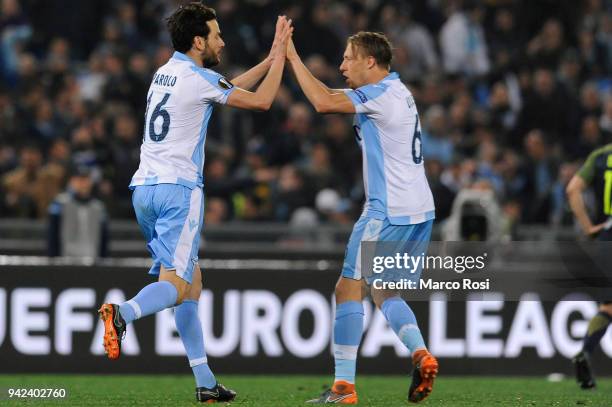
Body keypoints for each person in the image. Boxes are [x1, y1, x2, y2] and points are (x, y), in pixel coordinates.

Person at [97, 3, 293, 404]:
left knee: (192, 283)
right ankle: (123, 313)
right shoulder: (199, 79)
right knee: (176, 283)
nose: (223, 40)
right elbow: (260, 102)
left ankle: (205, 381)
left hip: (145, 190)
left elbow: (220, 87)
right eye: (217, 34)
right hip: (179, 191)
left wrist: (267, 59)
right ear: (199, 40)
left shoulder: (166, 72)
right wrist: (282, 59)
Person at [286, 32, 438, 403]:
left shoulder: (380, 96)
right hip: (420, 210)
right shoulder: (399, 90)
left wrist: (291, 57)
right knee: (384, 290)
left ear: (370, 61)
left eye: (347, 58)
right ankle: (421, 354)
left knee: (346, 289)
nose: (341, 66)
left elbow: (322, 102)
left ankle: (343, 386)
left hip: (387, 210)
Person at [567, 143, 612, 389]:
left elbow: (573, 189)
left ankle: (585, 351)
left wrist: (588, 227)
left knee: (608, 306)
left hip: (607, 236)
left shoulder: (600, 156)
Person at [48, 166, 108, 257]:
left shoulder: (98, 207)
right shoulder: (60, 203)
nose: (83, 184)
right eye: (79, 180)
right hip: (65, 261)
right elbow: (53, 236)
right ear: (72, 182)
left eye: (86, 179)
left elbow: (104, 239)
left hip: (92, 261)